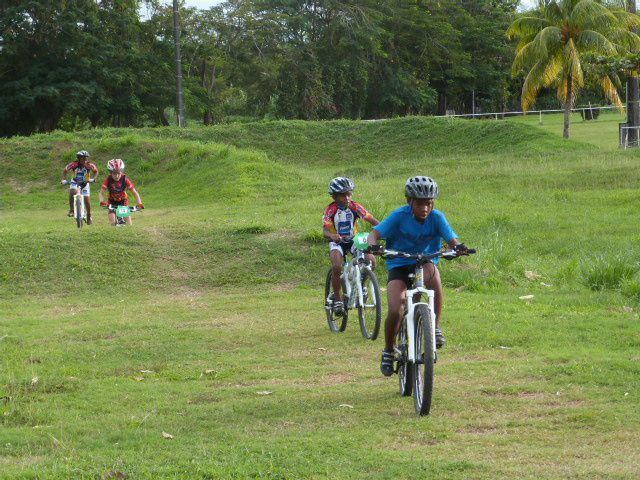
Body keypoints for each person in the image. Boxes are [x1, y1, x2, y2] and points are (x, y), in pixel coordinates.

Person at [366, 176, 468, 377]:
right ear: (409, 201)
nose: (425, 209)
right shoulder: (399, 216)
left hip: (425, 262)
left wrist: (458, 247)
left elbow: (452, 239)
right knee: (396, 308)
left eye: (428, 204)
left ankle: (435, 327)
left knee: (435, 280)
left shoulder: (437, 217)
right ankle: (388, 350)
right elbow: (375, 234)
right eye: (420, 204)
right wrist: (373, 246)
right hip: (399, 263)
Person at [323, 177, 380, 316]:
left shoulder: (355, 206)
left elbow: (372, 220)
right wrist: (332, 236)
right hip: (337, 241)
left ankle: (362, 282)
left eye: (349, 194)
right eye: (343, 195)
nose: (348, 197)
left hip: (354, 238)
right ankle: (337, 299)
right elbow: (325, 231)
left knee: (371, 260)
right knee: (337, 267)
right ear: (335, 196)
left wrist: (384, 230)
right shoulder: (331, 210)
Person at [99, 159, 144, 226]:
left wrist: (139, 203)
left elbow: (135, 192)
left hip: (123, 201)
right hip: (111, 201)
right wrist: (102, 201)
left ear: (121, 172)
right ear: (110, 173)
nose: (117, 176)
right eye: (114, 173)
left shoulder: (125, 179)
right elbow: (101, 193)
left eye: (119, 173)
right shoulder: (108, 180)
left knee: (129, 224)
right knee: (112, 223)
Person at [61, 150, 99, 225]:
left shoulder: (89, 165)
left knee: (87, 199)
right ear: (78, 158)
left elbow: (96, 171)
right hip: (75, 181)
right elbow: (65, 170)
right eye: (83, 158)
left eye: (86, 158)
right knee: (72, 191)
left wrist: (94, 178)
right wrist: (63, 179)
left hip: (85, 183)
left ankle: (89, 215)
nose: (85, 160)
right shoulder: (73, 164)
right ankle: (72, 210)